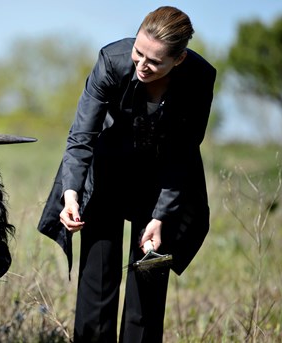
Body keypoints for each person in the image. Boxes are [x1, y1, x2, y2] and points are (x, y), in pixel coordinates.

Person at [37, 6, 216, 342]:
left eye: (154, 61)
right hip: (105, 172)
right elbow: (81, 136)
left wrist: (162, 216)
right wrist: (71, 193)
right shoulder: (111, 60)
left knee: (147, 288)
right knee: (97, 283)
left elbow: (184, 154)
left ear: (178, 60)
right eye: (138, 52)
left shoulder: (199, 77)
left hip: (164, 180)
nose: (142, 65)